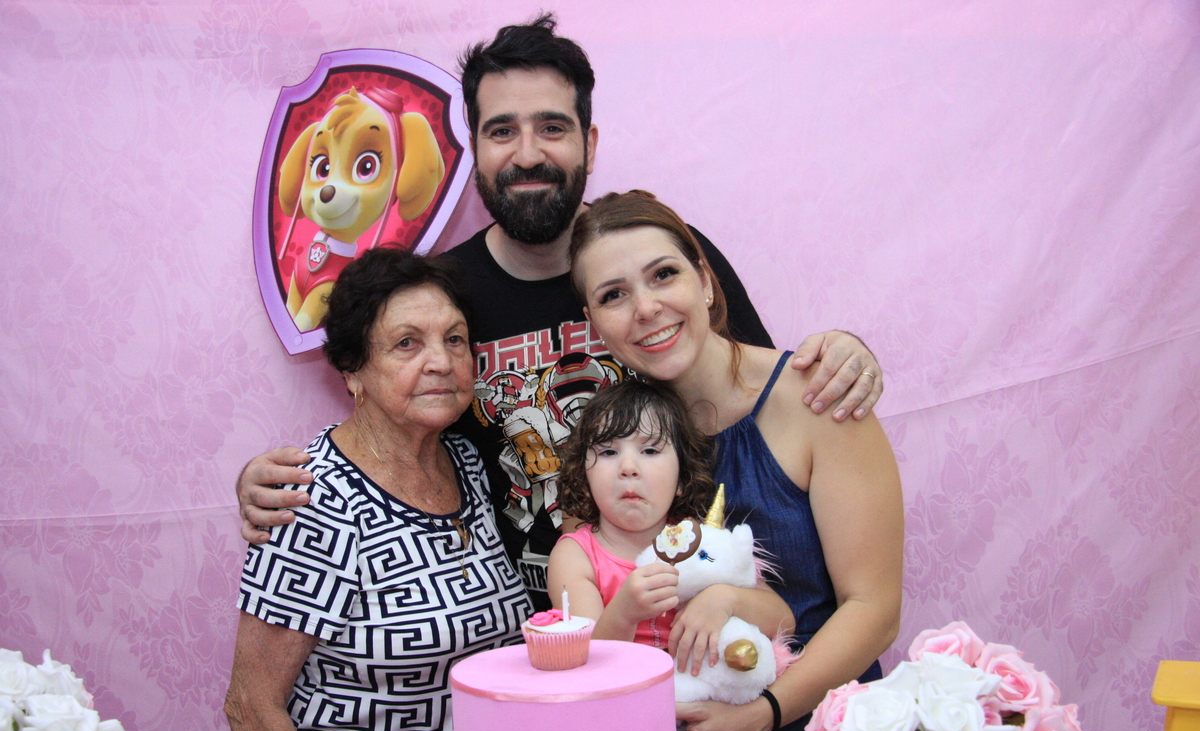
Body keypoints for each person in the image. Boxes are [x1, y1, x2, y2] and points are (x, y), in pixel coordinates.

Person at [236, 15, 886, 610]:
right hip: (541, 635)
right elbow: (389, 432)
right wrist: (284, 484)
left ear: (588, 143)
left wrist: (841, 351)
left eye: (551, 127)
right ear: (475, 147)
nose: (527, 154)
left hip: (703, 608)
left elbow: (757, 397)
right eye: (502, 131)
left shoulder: (660, 261)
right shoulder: (445, 297)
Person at [569, 190, 904, 731]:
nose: (645, 308)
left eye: (663, 274)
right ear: (594, 323)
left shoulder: (818, 397)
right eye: (613, 295)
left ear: (704, 281)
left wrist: (759, 718)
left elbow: (874, 609)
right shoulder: (616, 441)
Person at [223, 248, 531, 731]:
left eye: (454, 339)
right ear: (352, 369)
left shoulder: (467, 461)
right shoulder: (314, 498)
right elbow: (251, 703)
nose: (440, 362)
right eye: (406, 343)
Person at [548, 379, 794, 670]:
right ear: (583, 478)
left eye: (650, 451)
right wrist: (624, 614)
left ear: (682, 479)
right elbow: (587, 665)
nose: (628, 468)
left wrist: (724, 599)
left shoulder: (701, 541)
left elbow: (783, 620)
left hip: (709, 691)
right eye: (609, 452)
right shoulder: (575, 556)